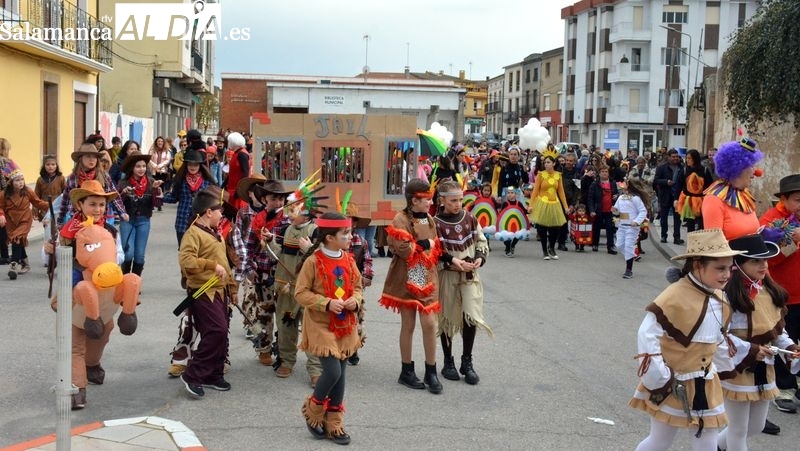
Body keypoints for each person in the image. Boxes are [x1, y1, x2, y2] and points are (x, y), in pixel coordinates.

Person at [630, 228, 747, 450]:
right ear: (697, 265)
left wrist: (726, 367)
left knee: (707, 439)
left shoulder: (720, 297)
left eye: (729, 269)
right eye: (719, 269)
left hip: (706, 382)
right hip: (675, 383)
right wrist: (659, 376)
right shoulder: (674, 295)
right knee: (660, 440)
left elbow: (718, 339)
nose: (726, 275)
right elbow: (647, 333)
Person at [46, 180, 137, 409]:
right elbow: (59, 259)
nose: (98, 209)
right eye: (93, 204)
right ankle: (77, 387)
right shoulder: (69, 231)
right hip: (78, 287)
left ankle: (92, 363)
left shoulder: (110, 229)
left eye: (101, 205)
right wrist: (51, 250)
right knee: (75, 338)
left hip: (105, 287)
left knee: (105, 330)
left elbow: (120, 256)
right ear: (80, 204)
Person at [380, 178, 467, 394]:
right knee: (408, 325)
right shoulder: (401, 219)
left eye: (430, 198)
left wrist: (452, 259)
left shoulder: (429, 219)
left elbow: (436, 247)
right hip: (407, 275)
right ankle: (406, 370)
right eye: (425, 199)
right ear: (412, 200)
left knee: (429, 324)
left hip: (426, 275)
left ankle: (431, 371)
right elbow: (403, 249)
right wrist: (424, 244)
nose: (429, 203)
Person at [717, 233, 799, 451]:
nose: (764, 265)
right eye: (756, 261)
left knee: (756, 426)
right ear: (737, 264)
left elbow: (777, 331)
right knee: (738, 430)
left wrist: (790, 348)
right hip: (737, 367)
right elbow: (717, 335)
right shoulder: (725, 296)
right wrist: (750, 350)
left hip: (765, 367)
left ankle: (715, 446)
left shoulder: (769, 291)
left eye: (765, 260)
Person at [296, 211, 363, 445]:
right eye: (345, 233)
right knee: (332, 371)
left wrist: (355, 300)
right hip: (320, 324)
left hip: (345, 324)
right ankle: (313, 410)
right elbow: (300, 292)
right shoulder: (313, 261)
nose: (350, 236)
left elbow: (357, 285)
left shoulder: (348, 259)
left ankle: (334, 422)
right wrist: (325, 303)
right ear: (328, 238)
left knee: (342, 374)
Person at [178, 185, 237, 399]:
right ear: (208, 212)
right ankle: (193, 374)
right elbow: (186, 261)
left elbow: (225, 264)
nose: (222, 214)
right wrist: (211, 265)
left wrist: (232, 287)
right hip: (204, 290)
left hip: (220, 291)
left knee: (221, 334)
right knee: (216, 331)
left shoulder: (215, 233)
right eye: (219, 210)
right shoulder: (193, 233)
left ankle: (213, 373)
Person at [433, 181, 492, 385]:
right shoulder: (435, 223)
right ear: (442, 200)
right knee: (447, 318)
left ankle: (467, 361)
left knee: (470, 316)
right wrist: (452, 261)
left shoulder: (470, 219)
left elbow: (481, 241)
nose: (458, 204)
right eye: (453, 201)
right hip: (448, 275)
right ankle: (447, 361)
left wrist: (479, 258)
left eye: (460, 200)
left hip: (469, 276)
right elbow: (435, 251)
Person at [759, 174, 800, 417]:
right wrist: (794, 242)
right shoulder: (771, 221)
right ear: (783, 199)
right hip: (784, 296)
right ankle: (784, 387)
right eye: (797, 200)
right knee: (786, 342)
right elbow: (769, 258)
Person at [269, 201, 322, 386]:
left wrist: (310, 250)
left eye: (293, 211)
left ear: (306, 215)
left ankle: (316, 368)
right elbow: (278, 256)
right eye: (288, 209)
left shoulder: (316, 231)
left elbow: (322, 260)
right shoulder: (284, 230)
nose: (288, 214)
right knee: (285, 326)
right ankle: (287, 361)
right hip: (286, 287)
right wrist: (270, 242)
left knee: (311, 329)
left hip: (308, 289)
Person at [241, 180, 292, 366]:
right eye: (274, 199)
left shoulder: (288, 220)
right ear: (264, 199)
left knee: (285, 313)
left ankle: (285, 350)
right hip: (263, 274)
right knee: (264, 312)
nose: (278, 203)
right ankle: (263, 348)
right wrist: (248, 268)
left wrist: (273, 240)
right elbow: (249, 247)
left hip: (283, 274)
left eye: (281, 199)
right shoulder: (257, 220)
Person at [702, 139, 763, 241]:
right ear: (738, 168)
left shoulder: (744, 194)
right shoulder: (714, 199)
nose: (756, 172)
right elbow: (714, 246)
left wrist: (763, 237)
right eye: (751, 166)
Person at [56, 143, 129, 229]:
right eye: (88, 156)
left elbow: (114, 194)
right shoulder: (73, 177)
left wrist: (122, 211)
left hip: (99, 219)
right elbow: (65, 199)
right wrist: (60, 220)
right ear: (81, 159)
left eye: (94, 157)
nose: (92, 160)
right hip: (77, 220)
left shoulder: (104, 176)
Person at [117, 152, 164, 276]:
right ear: (132, 167)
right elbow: (116, 203)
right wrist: (123, 194)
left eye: (144, 166)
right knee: (128, 253)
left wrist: (155, 190)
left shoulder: (151, 181)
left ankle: (135, 282)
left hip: (144, 220)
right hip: (127, 221)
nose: (141, 169)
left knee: (139, 255)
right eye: (138, 166)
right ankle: (125, 279)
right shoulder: (123, 183)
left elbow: (157, 203)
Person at [0, 169, 49, 278]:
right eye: (17, 180)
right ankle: (25, 263)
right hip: (11, 221)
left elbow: (38, 202)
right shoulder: (4, 194)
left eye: (22, 179)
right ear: (11, 182)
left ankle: (14, 265)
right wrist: (1, 215)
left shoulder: (28, 191)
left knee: (16, 238)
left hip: (25, 219)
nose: (20, 182)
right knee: (18, 241)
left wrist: (51, 204)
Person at [162, 148, 214, 246]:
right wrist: (161, 196)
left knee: (199, 254)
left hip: (201, 222)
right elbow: (174, 198)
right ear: (186, 165)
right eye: (190, 164)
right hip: (182, 222)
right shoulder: (181, 180)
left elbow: (213, 202)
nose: (192, 167)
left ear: (200, 166)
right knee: (184, 254)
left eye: (195, 164)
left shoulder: (207, 182)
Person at [344, 202, 373, 366]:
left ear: (354, 223)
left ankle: (353, 348)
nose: (347, 224)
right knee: (339, 316)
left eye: (349, 220)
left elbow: (367, 260)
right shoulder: (333, 241)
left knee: (356, 317)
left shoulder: (361, 241)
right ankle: (341, 347)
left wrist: (367, 275)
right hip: (337, 286)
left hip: (355, 287)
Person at [529, 148, 569, 260]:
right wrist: (531, 205)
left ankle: (551, 247)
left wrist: (565, 207)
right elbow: (535, 191)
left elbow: (561, 192)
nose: (546, 164)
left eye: (548, 162)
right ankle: (545, 251)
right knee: (542, 228)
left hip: (554, 204)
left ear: (554, 163)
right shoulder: (541, 175)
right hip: (542, 203)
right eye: (545, 162)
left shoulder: (558, 175)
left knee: (555, 228)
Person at [612, 179, 649, 279]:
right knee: (619, 245)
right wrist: (615, 211)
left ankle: (629, 270)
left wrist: (636, 221)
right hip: (622, 226)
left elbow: (643, 211)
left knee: (628, 246)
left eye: (625, 184)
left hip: (632, 228)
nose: (622, 185)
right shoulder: (620, 198)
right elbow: (617, 211)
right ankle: (631, 255)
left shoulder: (635, 198)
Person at [676, 149, 714, 233]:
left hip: (702, 200)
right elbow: (678, 186)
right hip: (688, 201)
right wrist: (676, 199)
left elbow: (710, 187)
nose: (687, 160)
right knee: (690, 224)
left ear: (695, 159)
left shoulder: (704, 171)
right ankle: (691, 243)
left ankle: (700, 243)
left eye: (689, 158)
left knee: (701, 224)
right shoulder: (684, 170)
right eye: (687, 158)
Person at [653, 148, 684, 245]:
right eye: (673, 157)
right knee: (664, 217)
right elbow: (656, 180)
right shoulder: (662, 167)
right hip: (665, 195)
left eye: (677, 157)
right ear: (669, 157)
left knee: (677, 218)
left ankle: (677, 237)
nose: (675, 158)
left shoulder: (681, 167)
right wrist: (666, 182)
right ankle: (663, 235)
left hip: (677, 196)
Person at [588, 166, 619, 254]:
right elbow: (590, 198)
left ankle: (610, 246)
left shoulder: (612, 183)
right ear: (599, 173)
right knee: (596, 227)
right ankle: (595, 244)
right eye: (602, 171)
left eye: (606, 171)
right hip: (598, 209)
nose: (605, 173)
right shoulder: (595, 184)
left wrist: (616, 197)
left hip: (610, 210)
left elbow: (616, 194)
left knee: (610, 228)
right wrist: (592, 210)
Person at [33, 155, 66, 223]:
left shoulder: (61, 178)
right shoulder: (40, 180)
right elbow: (36, 196)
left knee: (57, 229)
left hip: (58, 208)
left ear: (56, 166)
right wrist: (35, 211)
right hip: (45, 209)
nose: (50, 166)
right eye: (48, 164)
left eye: (53, 164)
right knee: (47, 230)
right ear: (44, 166)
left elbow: (65, 193)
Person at [225, 132, 251, 209]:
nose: (228, 143)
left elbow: (245, 173)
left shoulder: (241, 154)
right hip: (233, 190)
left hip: (237, 191)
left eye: (229, 142)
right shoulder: (238, 153)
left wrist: (239, 190)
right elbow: (233, 172)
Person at [498, 186, 526, 257]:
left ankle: (512, 245)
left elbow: (524, 211)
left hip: (516, 223)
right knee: (507, 236)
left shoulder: (518, 203)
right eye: (508, 193)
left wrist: (529, 211)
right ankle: (507, 248)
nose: (510, 194)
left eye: (512, 193)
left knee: (518, 235)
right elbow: (502, 213)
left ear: (516, 194)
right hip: (507, 223)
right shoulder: (505, 204)